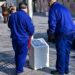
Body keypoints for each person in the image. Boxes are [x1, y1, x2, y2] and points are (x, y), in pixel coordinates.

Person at [47, 0, 75, 75]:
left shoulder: (53, 8)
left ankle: (60, 71)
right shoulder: (64, 8)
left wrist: (51, 34)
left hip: (62, 32)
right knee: (67, 51)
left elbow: (52, 23)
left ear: (50, 1)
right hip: (71, 31)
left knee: (61, 52)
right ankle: (66, 69)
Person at [8, 2, 34, 75]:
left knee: (17, 53)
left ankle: (18, 68)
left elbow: (9, 25)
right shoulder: (26, 17)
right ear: (26, 8)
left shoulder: (12, 16)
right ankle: (19, 71)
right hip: (23, 39)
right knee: (22, 55)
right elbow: (31, 29)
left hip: (14, 38)